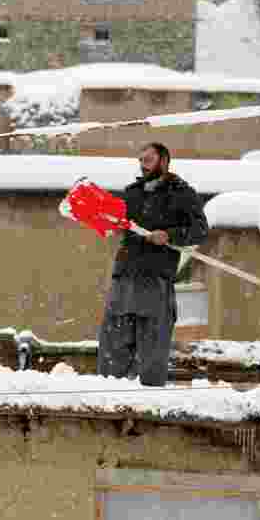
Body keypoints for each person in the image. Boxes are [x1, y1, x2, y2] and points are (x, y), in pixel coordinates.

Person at [97, 142, 209, 386]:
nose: (143, 165)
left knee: (152, 347)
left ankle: (151, 398)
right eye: (141, 160)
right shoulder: (132, 193)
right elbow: (117, 221)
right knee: (113, 347)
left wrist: (169, 235)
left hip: (156, 278)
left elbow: (200, 230)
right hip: (124, 276)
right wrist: (110, 222)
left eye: (148, 160)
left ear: (164, 161)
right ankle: (105, 394)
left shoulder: (181, 193)